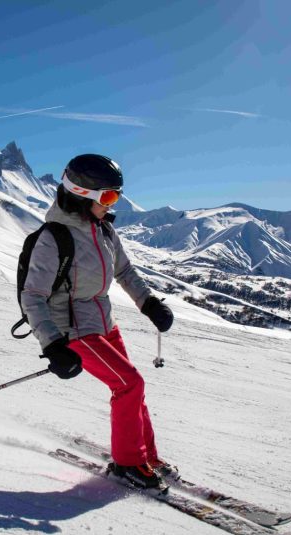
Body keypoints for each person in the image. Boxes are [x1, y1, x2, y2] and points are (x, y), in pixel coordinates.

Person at [21, 154, 174, 489]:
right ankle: (128, 465)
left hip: (103, 323)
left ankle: (145, 455)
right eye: (108, 196)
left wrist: (148, 303)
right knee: (129, 384)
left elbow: (124, 271)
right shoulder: (54, 238)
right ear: (81, 194)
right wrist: (52, 344)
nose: (114, 203)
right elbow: (32, 296)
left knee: (133, 387)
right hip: (72, 329)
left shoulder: (102, 230)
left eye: (115, 196)